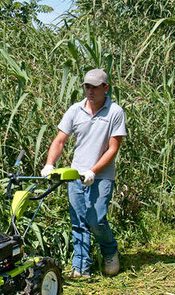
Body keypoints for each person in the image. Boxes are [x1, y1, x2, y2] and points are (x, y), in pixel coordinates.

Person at [41, 68, 127, 277]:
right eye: (87, 86)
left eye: (95, 87)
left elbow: (113, 148)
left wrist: (93, 171)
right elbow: (60, 140)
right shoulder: (75, 110)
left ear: (105, 88)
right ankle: (81, 268)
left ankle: (110, 251)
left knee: (96, 219)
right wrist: (50, 164)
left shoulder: (115, 112)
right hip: (76, 175)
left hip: (102, 175)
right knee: (78, 220)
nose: (90, 91)